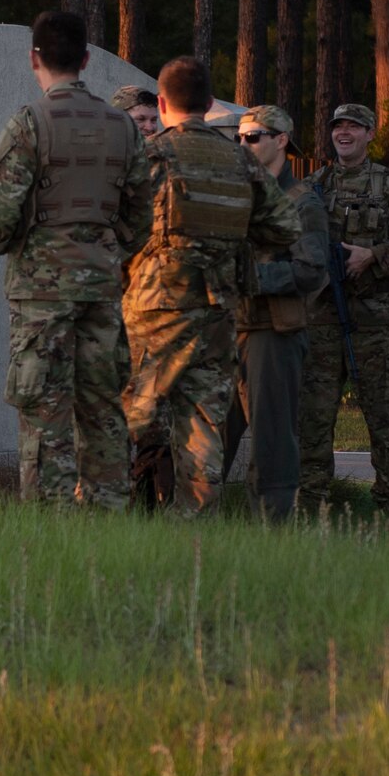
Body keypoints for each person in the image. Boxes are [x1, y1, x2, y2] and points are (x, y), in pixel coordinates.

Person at [0, 13, 153, 508]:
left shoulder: (30, 123)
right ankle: (108, 515)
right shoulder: (123, 126)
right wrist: (105, 250)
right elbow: (142, 218)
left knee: (43, 410)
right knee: (103, 409)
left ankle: (50, 523)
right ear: (86, 60)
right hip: (100, 286)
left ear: (35, 58)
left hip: (40, 292)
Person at [121, 57, 298, 517]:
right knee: (203, 425)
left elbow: (115, 228)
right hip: (219, 313)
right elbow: (284, 227)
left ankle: (109, 516)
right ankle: (195, 528)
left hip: (153, 313)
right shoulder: (240, 159)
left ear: (161, 104)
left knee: (131, 416)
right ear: (209, 103)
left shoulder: (150, 155)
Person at [298, 103, 389, 518]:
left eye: (354, 126)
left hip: (374, 320)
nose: (344, 133)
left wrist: (374, 256)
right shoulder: (312, 185)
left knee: (382, 413)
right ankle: (312, 499)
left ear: (370, 134)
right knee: (314, 415)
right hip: (321, 318)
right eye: (338, 126)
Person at [225, 104, 329, 520]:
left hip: (272, 333)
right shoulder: (237, 194)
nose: (243, 144)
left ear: (281, 140)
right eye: (239, 138)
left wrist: (252, 278)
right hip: (229, 329)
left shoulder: (301, 202)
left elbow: (311, 269)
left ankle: (273, 529)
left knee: (271, 443)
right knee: (207, 437)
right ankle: (192, 532)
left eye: (253, 137)